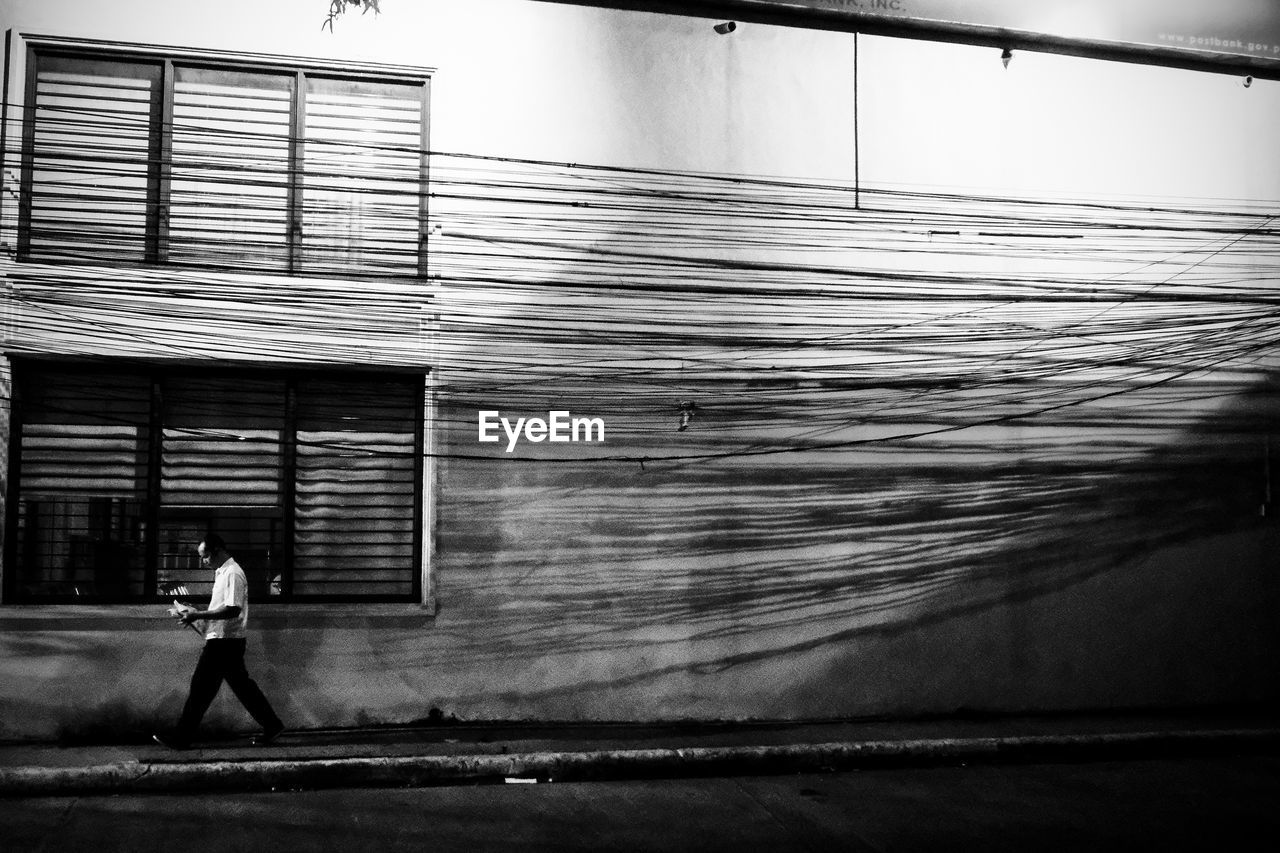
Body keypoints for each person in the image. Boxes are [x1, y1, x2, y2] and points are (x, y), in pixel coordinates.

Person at [152, 533, 285, 750]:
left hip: (224, 642)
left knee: (200, 690)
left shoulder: (232, 573)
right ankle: (272, 725)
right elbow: (223, 608)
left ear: (217, 551)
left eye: (205, 557)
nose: (203, 562)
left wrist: (197, 615)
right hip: (226, 641)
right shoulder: (223, 572)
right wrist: (195, 611)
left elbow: (232, 609)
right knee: (242, 688)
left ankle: (181, 738)